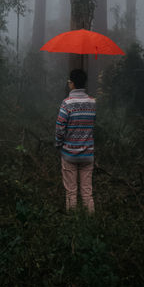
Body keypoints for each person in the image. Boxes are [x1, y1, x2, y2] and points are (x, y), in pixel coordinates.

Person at [54, 67, 96, 213]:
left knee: (71, 193)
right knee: (87, 193)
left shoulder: (67, 103)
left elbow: (60, 128)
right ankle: (90, 225)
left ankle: (72, 226)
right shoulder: (92, 103)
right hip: (87, 155)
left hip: (70, 154)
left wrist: (59, 145)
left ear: (72, 83)